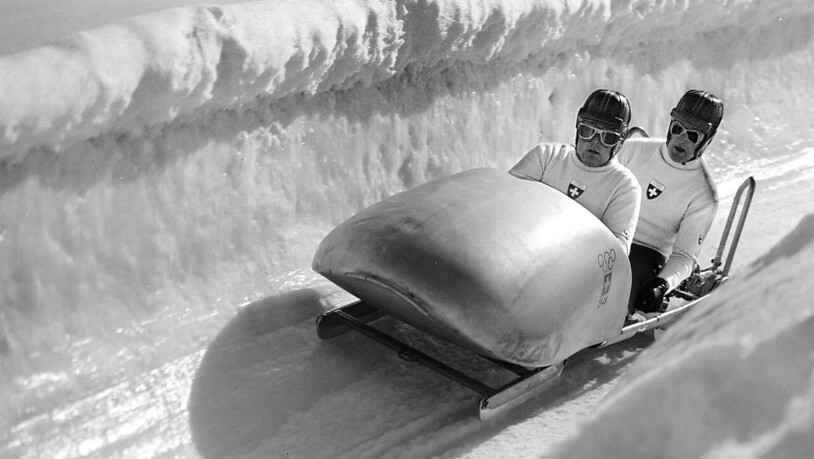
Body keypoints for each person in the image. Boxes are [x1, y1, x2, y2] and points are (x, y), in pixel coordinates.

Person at [617, 89, 723, 314]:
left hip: (647, 253)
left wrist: (661, 284)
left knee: (615, 293)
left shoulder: (703, 194)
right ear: (670, 125)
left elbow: (684, 255)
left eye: (693, 135)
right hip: (607, 234)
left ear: (707, 140)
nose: (682, 139)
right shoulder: (633, 150)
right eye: (677, 129)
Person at [509, 89, 642, 255]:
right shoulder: (545, 156)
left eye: (608, 137)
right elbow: (506, 200)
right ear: (577, 128)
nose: (595, 141)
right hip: (523, 248)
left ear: (620, 143)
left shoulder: (625, 187)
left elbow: (617, 252)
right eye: (588, 130)